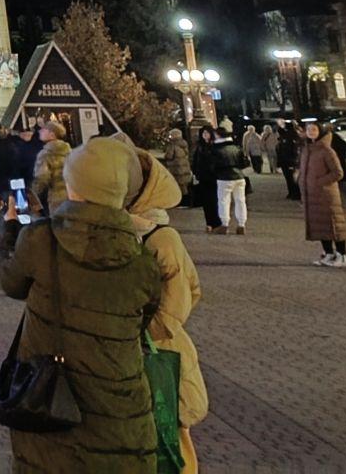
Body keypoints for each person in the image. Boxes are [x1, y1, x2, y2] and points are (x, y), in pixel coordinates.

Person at [0, 136, 162, 472]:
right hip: (121, 409)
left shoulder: (41, 239)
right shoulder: (142, 259)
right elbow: (143, 319)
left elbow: (11, 282)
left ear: (74, 187)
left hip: (52, 402)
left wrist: (10, 230)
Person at [124, 140, 206, 474]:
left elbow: (181, 299)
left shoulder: (160, 237)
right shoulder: (124, 231)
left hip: (160, 351)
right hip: (133, 350)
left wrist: (144, 336)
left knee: (171, 436)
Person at [297, 120, 346, 267]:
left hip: (326, 196)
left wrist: (319, 182)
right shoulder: (307, 149)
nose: (311, 132)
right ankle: (328, 253)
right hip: (311, 196)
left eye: (314, 130)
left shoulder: (327, 150)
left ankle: (342, 256)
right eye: (309, 130)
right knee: (319, 226)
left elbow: (338, 173)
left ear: (320, 132)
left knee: (334, 225)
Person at [209, 126, 249, 236]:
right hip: (239, 176)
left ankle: (225, 224)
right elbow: (244, 163)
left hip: (224, 177)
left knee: (224, 201)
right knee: (240, 201)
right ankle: (241, 224)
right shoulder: (236, 147)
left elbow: (212, 166)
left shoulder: (216, 149)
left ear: (217, 135)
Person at [30, 119, 70, 218]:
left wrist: (33, 195)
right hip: (71, 195)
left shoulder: (46, 154)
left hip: (56, 197)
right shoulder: (69, 151)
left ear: (52, 134)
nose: (40, 131)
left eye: (44, 130)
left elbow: (42, 177)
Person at [189, 127, 220, 233]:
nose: (205, 135)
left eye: (207, 133)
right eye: (203, 133)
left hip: (213, 178)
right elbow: (195, 160)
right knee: (206, 202)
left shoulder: (215, 146)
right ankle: (209, 223)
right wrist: (195, 173)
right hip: (203, 177)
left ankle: (217, 222)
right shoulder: (200, 147)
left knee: (215, 200)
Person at [276, 121, 301, 200]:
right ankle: (292, 193)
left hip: (289, 160)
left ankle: (295, 193)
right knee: (290, 178)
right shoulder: (287, 136)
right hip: (287, 160)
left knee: (291, 178)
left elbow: (293, 150)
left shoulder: (291, 136)